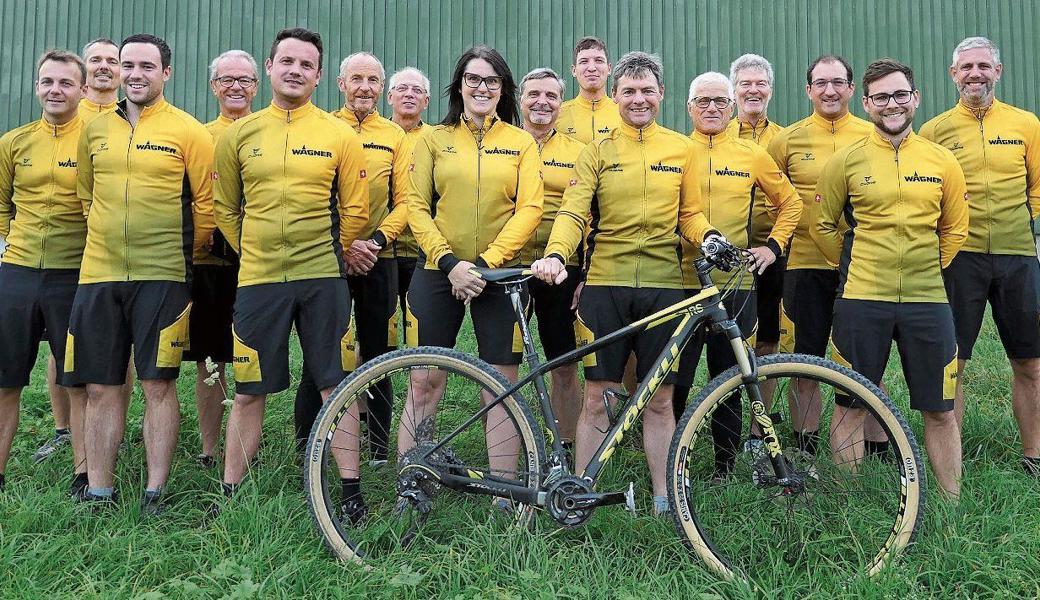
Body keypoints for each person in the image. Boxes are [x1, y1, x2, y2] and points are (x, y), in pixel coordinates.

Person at [531, 52, 714, 515]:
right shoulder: (596, 151)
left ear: (661, 96)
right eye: (629, 91)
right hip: (606, 284)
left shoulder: (682, 149)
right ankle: (581, 495)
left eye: (647, 91)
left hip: (665, 287)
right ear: (615, 96)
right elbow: (574, 210)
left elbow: (689, 214)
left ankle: (664, 499)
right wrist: (556, 253)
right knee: (598, 396)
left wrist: (708, 235)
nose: (638, 99)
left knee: (660, 398)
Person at [213, 28, 368, 520]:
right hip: (258, 281)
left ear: (319, 76)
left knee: (336, 386)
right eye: (287, 62)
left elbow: (357, 209)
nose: (295, 70)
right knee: (249, 390)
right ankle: (232, 494)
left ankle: (351, 492)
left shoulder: (338, 134)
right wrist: (256, 252)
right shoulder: (240, 133)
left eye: (306, 65)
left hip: (323, 278)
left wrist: (333, 254)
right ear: (271, 66)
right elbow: (225, 208)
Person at [70, 33, 215, 513]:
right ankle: (99, 489)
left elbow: (207, 206)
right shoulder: (92, 130)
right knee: (99, 385)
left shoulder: (189, 130)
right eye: (127, 65)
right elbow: (86, 196)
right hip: (99, 273)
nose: (135, 74)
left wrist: (178, 255)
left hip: (165, 274)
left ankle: (155, 490)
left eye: (147, 66)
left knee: (158, 384)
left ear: (166, 73)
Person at [814, 58, 968, 497]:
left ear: (915, 99)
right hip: (862, 298)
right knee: (849, 404)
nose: (892, 104)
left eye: (900, 95)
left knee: (938, 410)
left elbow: (956, 227)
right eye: (881, 97)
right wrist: (855, 266)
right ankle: (848, 507)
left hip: (928, 300)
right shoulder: (847, 160)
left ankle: (951, 507)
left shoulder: (941, 160)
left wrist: (926, 265)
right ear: (866, 104)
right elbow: (823, 226)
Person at [400, 45, 543, 510]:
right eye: (473, 79)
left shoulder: (522, 142)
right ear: (458, 85)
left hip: (497, 275)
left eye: (492, 81)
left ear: (504, 91)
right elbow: (416, 207)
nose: (482, 88)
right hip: (437, 272)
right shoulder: (431, 138)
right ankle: (412, 482)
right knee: (424, 380)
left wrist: (484, 263)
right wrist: (449, 263)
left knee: (501, 382)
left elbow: (531, 209)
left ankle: (505, 489)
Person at [920, 36, 1040, 477]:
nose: (975, 74)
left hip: (1018, 256)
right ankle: (954, 458)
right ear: (953, 75)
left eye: (983, 66)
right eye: (966, 67)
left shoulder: (1027, 124)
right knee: (955, 362)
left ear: (998, 71)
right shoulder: (934, 130)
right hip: (960, 259)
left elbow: (1038, 187)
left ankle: (1034, 456)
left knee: (1030, 361)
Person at [674, 72, 801, 476]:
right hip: (679, 281)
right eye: (703, 101)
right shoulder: (675, 150)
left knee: (728, 379)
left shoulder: (752, 153)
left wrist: (772, 247)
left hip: (735, 283)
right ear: (689, 106)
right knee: (676, 378)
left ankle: (724, 467)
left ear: (731, 107)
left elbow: (791, 203)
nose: (711, 108)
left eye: (719, 102)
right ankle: (677, 462)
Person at [292, 52, 410, 461]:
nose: (364, 87)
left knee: (379, 353)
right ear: (340, 84)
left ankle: (377, 447)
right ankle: (308, 444)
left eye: (373, 80)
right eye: (356, 78)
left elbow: (406, 202)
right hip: (328, 257)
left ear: (382, 88)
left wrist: (374, 241)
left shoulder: (395, 135)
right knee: (321, 352)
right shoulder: (321, 127)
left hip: (381, 257)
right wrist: (343, 246)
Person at [766, 55, 872, 455]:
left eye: (838, 82)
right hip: (804, 265)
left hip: (861, 268)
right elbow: (771, 202)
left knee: (861, 361)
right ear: (808, 90)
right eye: (821, 83)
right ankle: (803, 450)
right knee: (804, 361)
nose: (830, 91)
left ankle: (871, 447)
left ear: (851, 90)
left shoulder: (870, 134)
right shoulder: (786, 140)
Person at [0, 50, 90, 496]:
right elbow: (0, 205)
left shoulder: (93, 141)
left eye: (65, 83)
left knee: (76, 379)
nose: (55, 90)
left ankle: (83, 473)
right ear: (37, 86)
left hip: (72, 275)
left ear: (82, 89)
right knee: (5, 379)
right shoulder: (13, 142)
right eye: (47, 82)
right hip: (16, 272)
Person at [34, 36, 124, 465]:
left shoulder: (128, 119)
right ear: (84, 78)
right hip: (63, 259)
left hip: (109, 259)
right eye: (96, 60)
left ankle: (111, 429)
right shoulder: (70, 114)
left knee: (111, 353)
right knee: (61, 348)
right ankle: (63, 429)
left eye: (112, 60)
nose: (105, 66)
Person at [186, 49, 259, 468]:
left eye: (244, 80)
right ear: (213, 86)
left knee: (252, 358)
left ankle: (247, 441)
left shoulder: (268, 129)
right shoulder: (199, 135)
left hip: (259, 259)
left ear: (256, 85)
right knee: (210, 359)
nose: (235, 87)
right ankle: (210, 449)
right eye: (226, 79)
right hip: (211, 263)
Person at [517, 67, 586, 445]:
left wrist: (585, 275)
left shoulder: (578, 152)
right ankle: (515, 445)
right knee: (505, 363)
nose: (542, 102)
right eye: (534, 94)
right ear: (521, 99)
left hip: (562, 269)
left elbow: (590, 217)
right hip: (510, 266)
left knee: (563, 361)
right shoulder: (506, 142)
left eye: (551, 96)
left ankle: (568, 444)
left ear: (562, 102)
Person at [726, 54, 786, 364]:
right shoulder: (718, 136)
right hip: (729, 252)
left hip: (771, 253)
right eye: (745, 84)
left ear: (771, 90)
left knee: (767, 337)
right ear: (733, 92)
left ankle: (758, 414)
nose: (753, 90)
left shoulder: (784, 138)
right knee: (726, 340)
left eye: (760, 84)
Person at [387, 67, 431, 339]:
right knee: (381, 333)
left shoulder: (436, 139)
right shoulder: (376, 135)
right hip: (383, 253)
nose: (409, 95)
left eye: (417, 90)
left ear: (426, 101)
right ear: (389, 96)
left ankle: (421, 384)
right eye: (402, 89)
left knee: (422, 334)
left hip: (421, 252)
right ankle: (376, 383)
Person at [557, 36, 622, 144]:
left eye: (599, 61)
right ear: (574, 70)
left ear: (609, 68)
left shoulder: (624, 112)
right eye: (584, 61)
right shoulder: (558, 114)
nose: (591, 68)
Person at [79, 38, 120, 122]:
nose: (104, 66)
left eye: (112, 62)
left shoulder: (131, 119)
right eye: (95, 60)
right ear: (83, 68)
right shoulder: (67, 116)